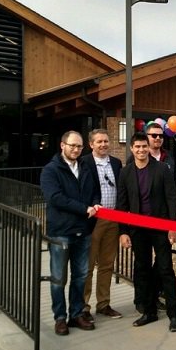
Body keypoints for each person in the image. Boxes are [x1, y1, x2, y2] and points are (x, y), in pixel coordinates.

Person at [117, 132, 176, 332]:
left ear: (148, 147)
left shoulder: (162, 169)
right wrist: (123, 231)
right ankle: (149, 311)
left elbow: (172, 198)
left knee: (165, 269)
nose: (141, 150)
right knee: (142, 269)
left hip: (160, 227)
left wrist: (173, 226)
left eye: (144, 146)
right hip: (138, 230)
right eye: (137, 147)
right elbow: (122, 204)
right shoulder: (126, 172)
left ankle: (174, 314)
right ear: (131, 149)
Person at [40, 131, 100, 335]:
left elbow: (94, 191)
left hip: (83, 231)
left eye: (79, 146)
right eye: (72, 145)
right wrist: (84, 208)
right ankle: (59, 317)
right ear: (62, 145)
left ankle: (76, 314)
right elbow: (55, 198)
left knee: (80, 276)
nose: (76, 149)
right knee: (58, 278)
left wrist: (94, 204)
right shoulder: (50, 170)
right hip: (61, 232)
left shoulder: (85, 167)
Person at [80, 128, 123, 322]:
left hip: (113, 219)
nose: (103, 144)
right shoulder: (84, 163)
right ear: (91, 144)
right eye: (99, 142)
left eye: (106, 141)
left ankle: (103, 304)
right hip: (93, 221)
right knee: (87, 266)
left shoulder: (116, 163)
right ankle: (83, 306)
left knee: (107, 264)